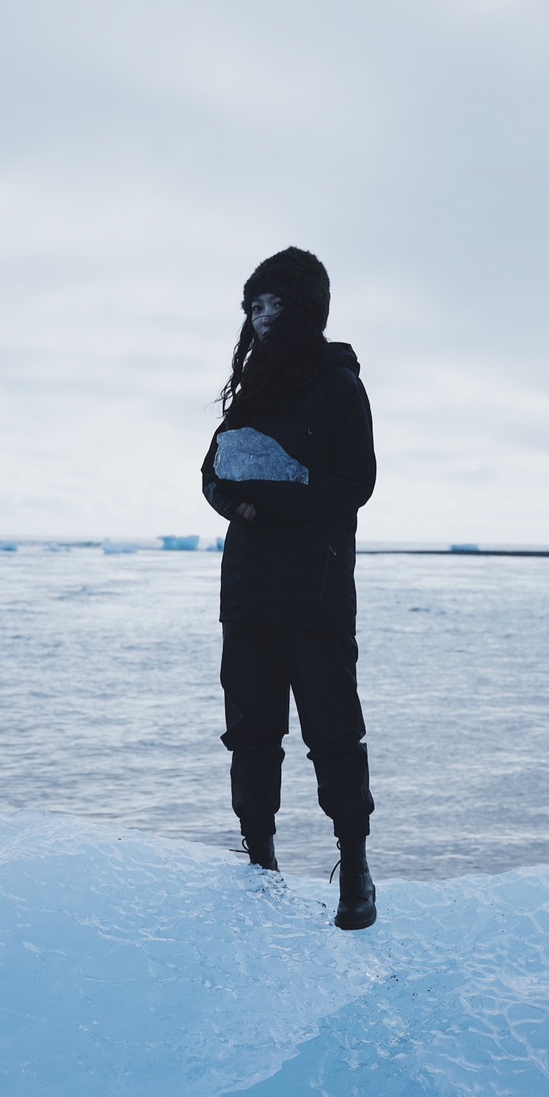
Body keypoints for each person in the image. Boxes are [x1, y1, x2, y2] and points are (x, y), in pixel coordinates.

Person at [200, 247, 378, 931]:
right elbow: (211, 475)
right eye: (254, 305)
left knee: (333, 732)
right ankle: (259, 862)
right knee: (250, 732)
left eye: (274, 303)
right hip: (247, 591)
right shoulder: (251, 390)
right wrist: (233, 501)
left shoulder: (339, 388)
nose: (261, 316)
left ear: (306, 309)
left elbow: (355, 485)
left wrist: (273, 499)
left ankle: (354, 868)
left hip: (316, 588)